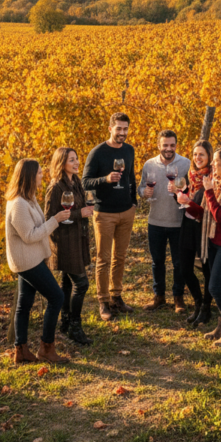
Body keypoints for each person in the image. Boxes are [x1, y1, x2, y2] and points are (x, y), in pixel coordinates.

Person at [5, 158, 72, 364]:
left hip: (31, 259)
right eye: (40, 173)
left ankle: (21, 350)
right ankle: (46, 348)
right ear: (29, 177)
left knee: (24, 304)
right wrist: (55, 221)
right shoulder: (18, 204)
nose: (43, 175)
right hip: (27, 262)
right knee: (57, 297)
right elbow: (29, 236)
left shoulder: (29, 199)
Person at [177, 147, 221, 346]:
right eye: (213, 161)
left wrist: (208, 191)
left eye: (216, 162)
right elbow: (204, 214)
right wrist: (188, 202)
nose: (213, 165)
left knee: (214, 287)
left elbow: (219, 215)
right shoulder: (218, 184)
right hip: (215, 241)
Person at [82, 112, 137, 321]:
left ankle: (116, 297)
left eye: (125, 129)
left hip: (126, 211)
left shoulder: (129, 150)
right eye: (119, 129)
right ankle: (103, 301)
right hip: (104, 212)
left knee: (120, 258)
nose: (122, 133)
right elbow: (85, 182)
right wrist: (105, 179)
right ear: (110, 129)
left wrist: (133, 202)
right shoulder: (97, 153)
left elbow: (131, 176)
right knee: (103, 259)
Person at [44, 147, 95, 346]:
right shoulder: (56, 186)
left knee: (67, 282)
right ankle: (75, 326)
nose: (76, 162)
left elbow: (81, 207)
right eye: (71, 160)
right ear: (61, 163)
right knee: (82, 284)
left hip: (78, 238)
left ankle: (65, 323)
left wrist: (85, 211)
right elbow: (50, 217)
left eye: (76, 158)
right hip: (65, 242)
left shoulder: (76, 181)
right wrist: (79, 214)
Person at [139, 130, 190, 313]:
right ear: (159, 145)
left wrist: (181, 192)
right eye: (165, 145)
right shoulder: (149, 164)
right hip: (155, 222)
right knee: (157, 261)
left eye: (172, 145)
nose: (169, 149)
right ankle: (159, 296)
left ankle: (178, 298)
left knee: (178, 263)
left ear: (176, 145)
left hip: (178, 222)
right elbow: (141, 187)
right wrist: (144, 192)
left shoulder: (185, 164)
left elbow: (191, 191)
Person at [177, 139, 214, 327]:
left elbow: (205, 212)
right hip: (187, 226)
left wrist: (186, 202)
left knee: (207, 271)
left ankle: (206, 308)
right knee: (185, 268)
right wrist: (176, 195)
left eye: (202, 154)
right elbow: (181, 201)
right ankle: (198, 303)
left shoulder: (212, 179)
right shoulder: (189, 176)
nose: (197, 158)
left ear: (209, 157)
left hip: (204, 229)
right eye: (195, 154)